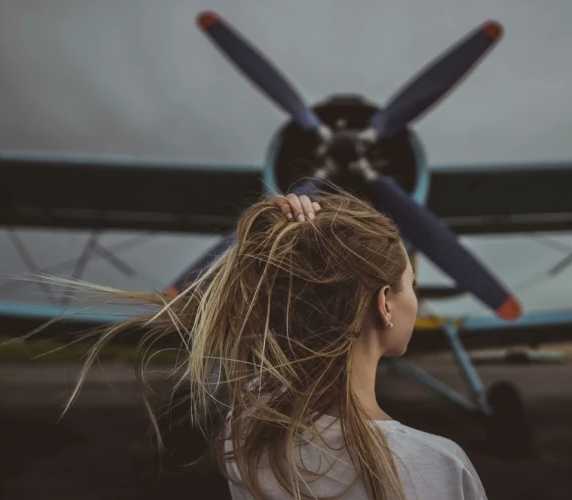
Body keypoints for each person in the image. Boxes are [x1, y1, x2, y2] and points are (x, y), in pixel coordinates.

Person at [59, 188, 487, 500]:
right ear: (385, 305)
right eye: (411, 285)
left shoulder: (248, 440)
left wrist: (274, 239)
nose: (416, 298)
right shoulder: (443, 465)